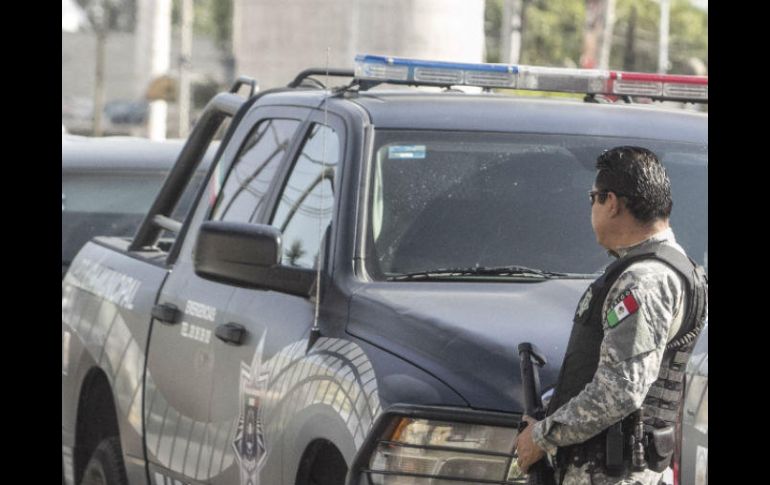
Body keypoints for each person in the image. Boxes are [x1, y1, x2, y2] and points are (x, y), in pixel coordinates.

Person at [514, 146, 707, 485]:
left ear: (612, 202)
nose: (591, 208)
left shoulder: (644, 280)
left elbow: (621, 389)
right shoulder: (661, 269)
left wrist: (542, 436)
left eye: (593, 198)